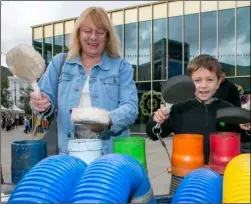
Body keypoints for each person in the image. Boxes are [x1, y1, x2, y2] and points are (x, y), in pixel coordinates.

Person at [29, 7, 138, 154]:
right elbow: (44, 101)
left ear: (107, 37)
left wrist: (104, 120)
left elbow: (130, 107)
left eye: (100, 32)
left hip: (108, 159)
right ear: (78, 33)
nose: (93, 37)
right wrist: (41, 103)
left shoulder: (121, 67)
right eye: (87, 30)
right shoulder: (59, 63)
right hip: (68, 155)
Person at [146, 54, 240, 165]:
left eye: (210, 80)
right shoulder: (179, 109)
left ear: (218, 83)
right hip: (186, 173)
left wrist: (246, 127)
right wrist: (157, 120)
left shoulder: (226, 108)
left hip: (220, 172)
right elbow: (154, 134)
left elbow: (241, 137)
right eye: (197, 80)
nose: (203, 85)